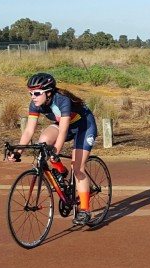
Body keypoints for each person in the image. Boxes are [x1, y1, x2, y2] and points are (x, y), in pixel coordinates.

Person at [7, 73, 97, 226]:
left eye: (36, 93)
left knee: (77, 168)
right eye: (30, 93)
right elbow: (29, 131)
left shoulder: (62, 101)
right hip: (64, 125)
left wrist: (55, 152)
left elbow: (62, 131)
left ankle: (85, 210)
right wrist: (18, 152)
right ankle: (61, 170)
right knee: (43, 141)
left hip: (84, 126)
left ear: (48, 92)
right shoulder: (35, 104)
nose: (33, 97)